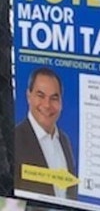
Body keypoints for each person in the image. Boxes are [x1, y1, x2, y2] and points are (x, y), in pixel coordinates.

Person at [15, 67, 77, 200]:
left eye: (54, 98)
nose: (47, 105)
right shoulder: (14, 140)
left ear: (61, 102)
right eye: (40, 95)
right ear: (28, 96)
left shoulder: (65, 140)